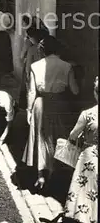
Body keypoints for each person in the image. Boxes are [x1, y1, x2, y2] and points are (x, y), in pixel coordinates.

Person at [22, 35, 79, 190]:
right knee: (58, 136)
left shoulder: (35, 66)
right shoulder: (67, 66)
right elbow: (74, 91)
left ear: (43, 50)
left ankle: (41, 175)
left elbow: (31, 92)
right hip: (60, 104)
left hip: (40, 104)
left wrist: (28, 110)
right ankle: (54, 171)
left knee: (40, 137)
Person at [54, 76, 98, 223]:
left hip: (90, 159)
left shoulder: (88, 114)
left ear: (95, 93)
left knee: (86, 196)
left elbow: (73, 135)